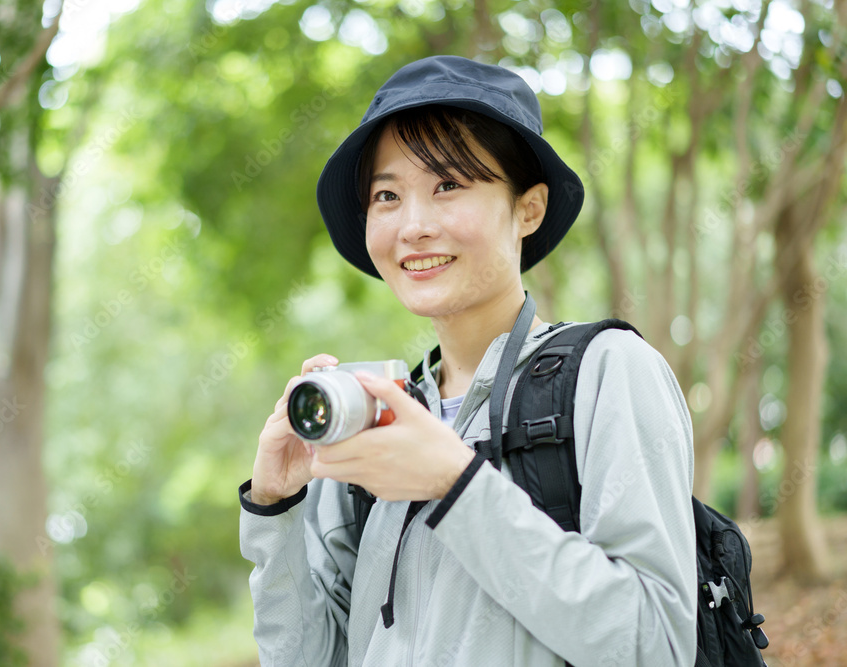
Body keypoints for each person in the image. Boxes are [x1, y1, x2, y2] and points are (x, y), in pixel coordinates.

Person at [238, 55, 697, 666]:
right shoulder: (375, 418)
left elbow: (656, 645)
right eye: (387, 195)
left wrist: (457, 485)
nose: (414, 226)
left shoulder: (607, 372)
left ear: (527, 210)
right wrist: (275, 511)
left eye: (448, 184)